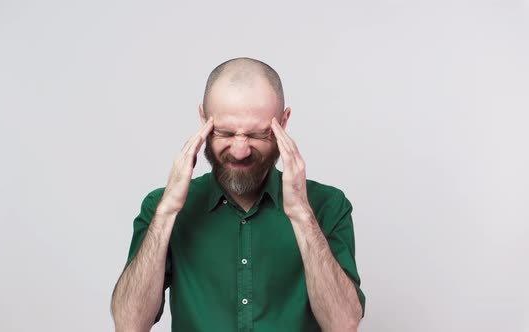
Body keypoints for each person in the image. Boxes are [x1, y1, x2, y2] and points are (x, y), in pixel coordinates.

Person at [110, 57, 365, 332]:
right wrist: (167, 212)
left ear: (284, 121)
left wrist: (302, 216)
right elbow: (129, 323)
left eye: (257, 134)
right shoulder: (161, 207)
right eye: (225, 132)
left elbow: (344, 325)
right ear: (203, 119)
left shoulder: (328, 206)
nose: (240, 150)